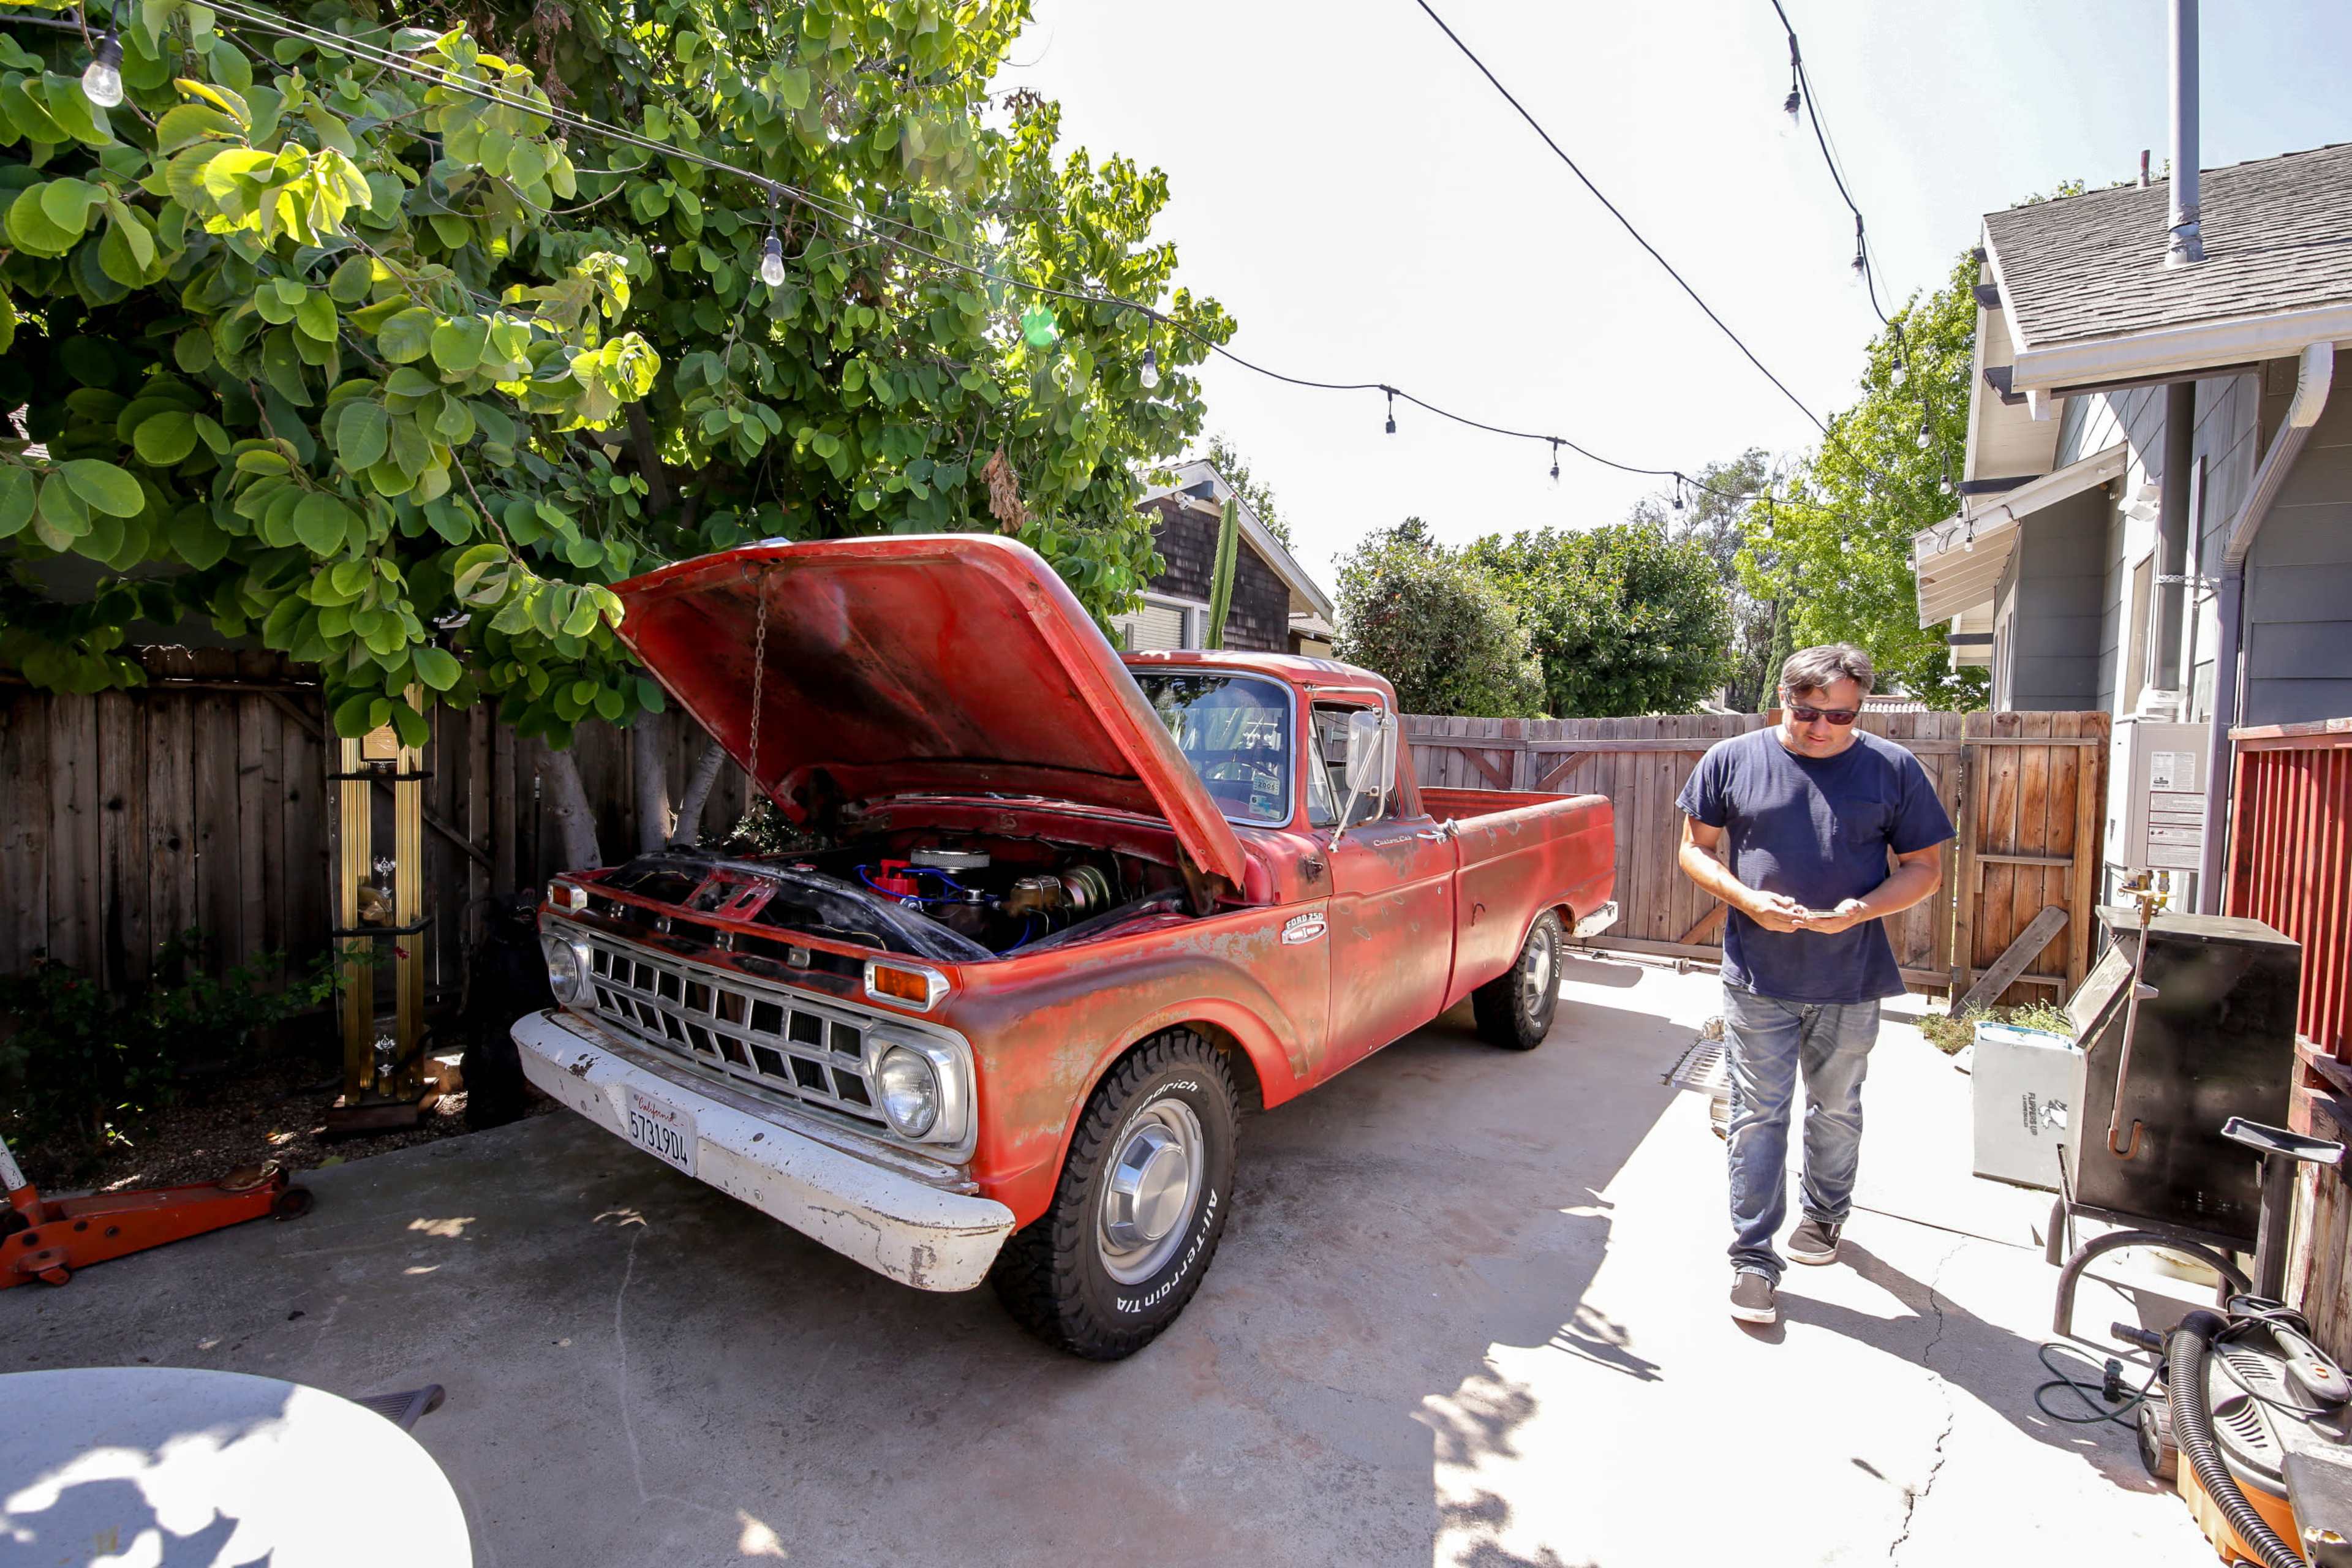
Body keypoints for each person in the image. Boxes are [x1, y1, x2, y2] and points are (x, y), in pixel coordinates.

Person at [1674, 644, 1955, 1326]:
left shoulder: (1894, 769)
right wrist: (1746, 899)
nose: (1823, 727)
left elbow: (1925, 868)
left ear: (1859, 709)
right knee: (1756, 1113)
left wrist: (1867, 908)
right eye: (1808, 712)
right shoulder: (1733, 760)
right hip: (1757, 977)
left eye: (1841, 715)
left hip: (1852, 978)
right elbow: (1693, 848)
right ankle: (1752, 1257)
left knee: (1835, 1108)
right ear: (1783, 697)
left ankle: (1825, 1216)